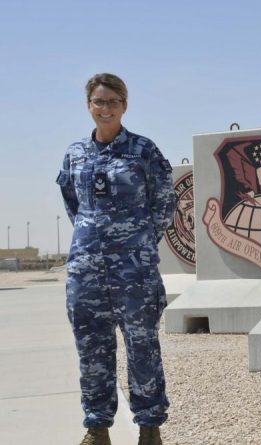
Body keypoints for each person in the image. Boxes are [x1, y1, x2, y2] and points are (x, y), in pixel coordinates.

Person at [56, 73, 176, 445]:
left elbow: (164, 203)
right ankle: (97, 427)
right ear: (88, 106)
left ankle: (149, 427)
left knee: (142, 347)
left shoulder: (143, 151)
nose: (105, 108)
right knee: (92, 349)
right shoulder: (75, 154)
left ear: (124, 105)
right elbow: (72, 204)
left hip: (134, 272)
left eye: (112, 102)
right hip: (86, 272)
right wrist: (95, 240)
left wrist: (136, 242)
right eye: (98, 101)